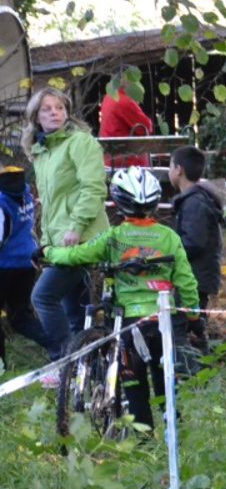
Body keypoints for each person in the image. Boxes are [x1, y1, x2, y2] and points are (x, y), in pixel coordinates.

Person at [42, 168, 200, 431]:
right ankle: (174, 432)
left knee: (134, 384)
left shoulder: (113, 236)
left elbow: (76, 255)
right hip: (163, 320)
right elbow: (187, 282)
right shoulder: (169, 237)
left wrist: (47, 251)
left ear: (117, 201)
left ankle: (143, 438)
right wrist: (194, 316)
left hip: (128, 321)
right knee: (164, 380)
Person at [21, 87, 110, 379]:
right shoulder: (42, 152)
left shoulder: (81, 142)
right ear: (36, 117)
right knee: (76, 314)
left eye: (59, 107)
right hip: (61, 243)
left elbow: (93, 188)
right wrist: (46, 247)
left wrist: (77, 226)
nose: (54, 113)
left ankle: (63, 364)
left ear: (67, 112)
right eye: (47, 109)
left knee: (43, 297)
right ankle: (92, 375)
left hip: (83, 240)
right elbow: (52, 206)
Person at [169, 146, 224, 349]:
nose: (169, 171)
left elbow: (193, 242)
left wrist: (169, 254)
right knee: (190, 328)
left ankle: (193, 364)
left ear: (179, 170)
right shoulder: (193, 200)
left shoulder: (194, 204)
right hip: (195, 277)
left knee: (185, 329)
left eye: (170, 166)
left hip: (195, 279)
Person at [0, 165, 50, 367]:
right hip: (27, 262)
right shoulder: (25, 195)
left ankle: (1, 365)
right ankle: (60, 347)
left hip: (4, 265)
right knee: (20, 318)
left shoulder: (2, 201)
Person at [99, 72, 155, 168]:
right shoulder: (124, 101)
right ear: (125, 80)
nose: (135, 82)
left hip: (110, 160)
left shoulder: (108, 97)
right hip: (128, 163)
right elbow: (146, 128)